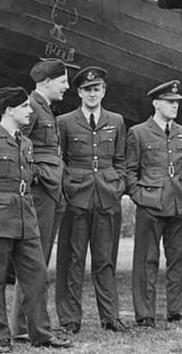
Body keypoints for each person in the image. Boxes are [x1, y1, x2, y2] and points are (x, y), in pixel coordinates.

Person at [0, 87, 71, 351]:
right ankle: (0, 337)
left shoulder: (26, 143)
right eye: (25, 107)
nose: (30, 111)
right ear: (10, 110)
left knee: (37, 276)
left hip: (25, 217)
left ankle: (41, 334)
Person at [54, 66, 129, 333]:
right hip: (77, 196)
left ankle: (110, 317)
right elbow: (60, 160)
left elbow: (121, 160)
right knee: (72, 259)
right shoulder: (65, 122)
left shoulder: (116, 121)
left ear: (104, 91)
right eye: (87, 90)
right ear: (79, 93)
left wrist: (118, 185)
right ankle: (70, 319)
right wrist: (68, 187)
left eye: (96, 89)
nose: (92, 94)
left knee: (105, 259)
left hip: (107, 196)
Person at [125, 80, 182, 327]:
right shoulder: (138, 132)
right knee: (146, 260)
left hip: (181, 203)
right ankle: (145, 314)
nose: (175, 106)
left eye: (177, 102)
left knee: (180, 258)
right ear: (156, 104)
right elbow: (130, 171)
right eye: (170, 102)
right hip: (151, 203)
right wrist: (140, 196)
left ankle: (176, 310)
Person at [11, 58, 70, 342]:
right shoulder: (32, 107)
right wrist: (36, 175)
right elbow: (14, 145)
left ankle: (24, 326)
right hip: (41, 192)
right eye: (63, 81)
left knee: (37, 260)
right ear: (46, 82)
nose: (67, 87)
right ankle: (36, 329)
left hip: (51, 190)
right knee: (34, 261)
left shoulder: (44, 107)